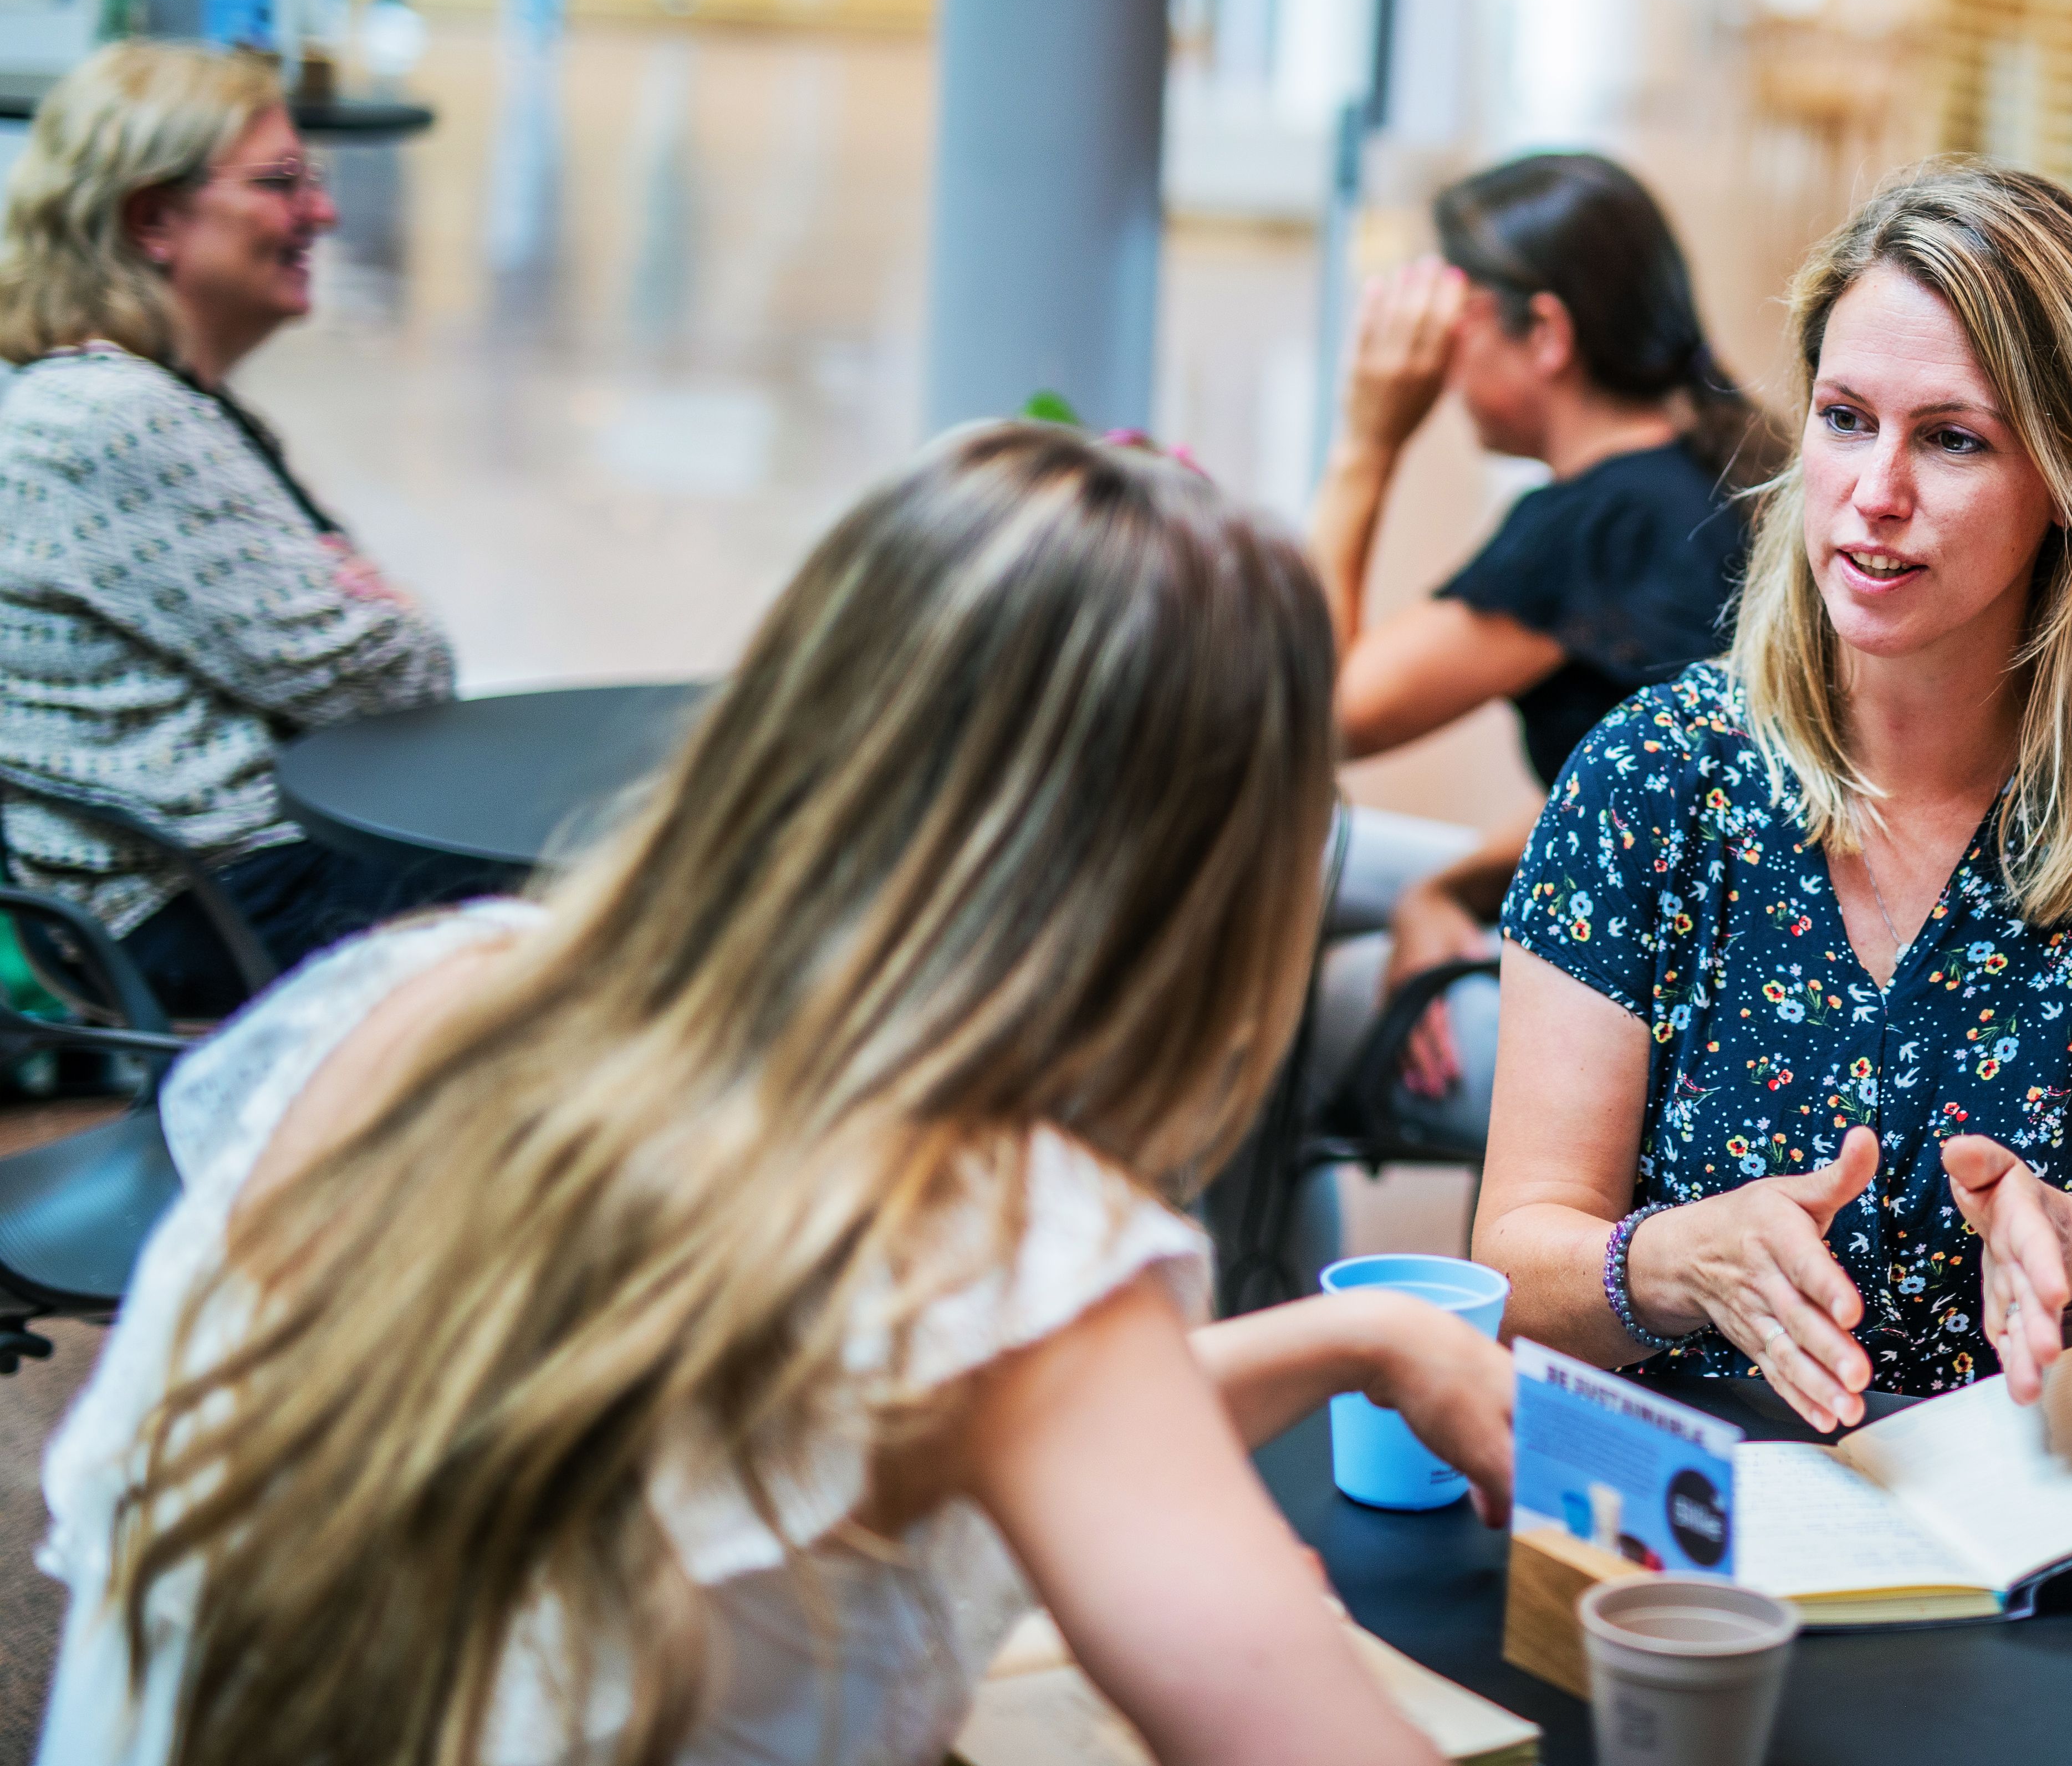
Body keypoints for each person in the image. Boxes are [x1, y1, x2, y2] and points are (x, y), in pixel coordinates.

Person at [36, 423, 1515, 1765]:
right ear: (1212, 879)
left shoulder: (441, 995)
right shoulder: (1007, 1236)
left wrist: (1359, 1335)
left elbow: (860, 1417)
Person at [1476, 161, 2072, 1424]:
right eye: (1845, 419)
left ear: (2070, 485)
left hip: (2027, 1504)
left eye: (1953, 439)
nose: (1876, 495)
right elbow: (1514, 1268)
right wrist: (1675, 1263)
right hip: (1700, 1496)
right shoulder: (1652, 778)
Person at [1298, 154, 1770, 1172]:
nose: (1437, 357)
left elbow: (1315, 712)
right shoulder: (1713, 472)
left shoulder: (1597, 523)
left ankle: (1245, 1273)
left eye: (1454, 319)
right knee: (1314, 863)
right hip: (1707, 954)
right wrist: (1446, 894)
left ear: (1547, 334)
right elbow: (1622, 777)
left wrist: (1367, 442)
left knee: (1285, 1011)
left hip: (1668, 1022)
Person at [0, 43, 457, 1017]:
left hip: (208, 884)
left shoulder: (129, 399)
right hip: (203, 904)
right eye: (281, 184)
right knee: (610, 893)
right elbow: (392, 682)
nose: (323, 214)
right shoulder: (116, 419)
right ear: (153, 219)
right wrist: (393, 613)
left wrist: (363, 616)